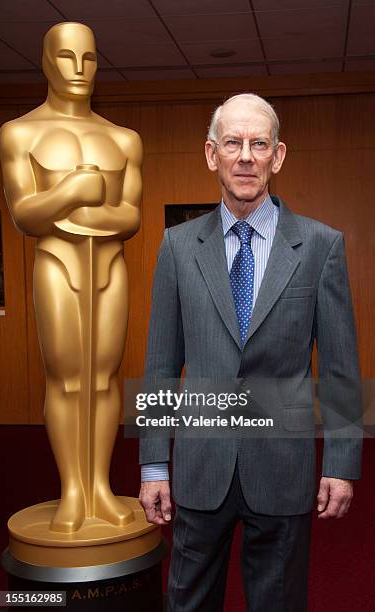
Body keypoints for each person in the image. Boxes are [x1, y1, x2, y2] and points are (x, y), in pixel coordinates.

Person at [138, 93, 362, 611]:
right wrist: (153, 465)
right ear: (211, 154)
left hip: (282, 468)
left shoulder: (321, 245)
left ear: (277, 156)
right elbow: (159, 365)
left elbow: (340, 368)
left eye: (258, 144)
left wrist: (342, 463)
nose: (245, 156)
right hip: (200, 466)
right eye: (233, 143)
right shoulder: (176, 247)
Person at [0, 22, 142, 532]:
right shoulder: (20, 133)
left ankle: (99, 487)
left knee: (103, 378)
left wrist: (67, 209)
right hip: (57, 265)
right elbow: (24, 214)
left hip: (108, 266)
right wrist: (75, 193)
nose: (78, 70)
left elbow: (130, 218)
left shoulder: (123, 138)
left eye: (89, 59)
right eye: (65, 57)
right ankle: (72, 490)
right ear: (44, 60)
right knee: (66, 378)